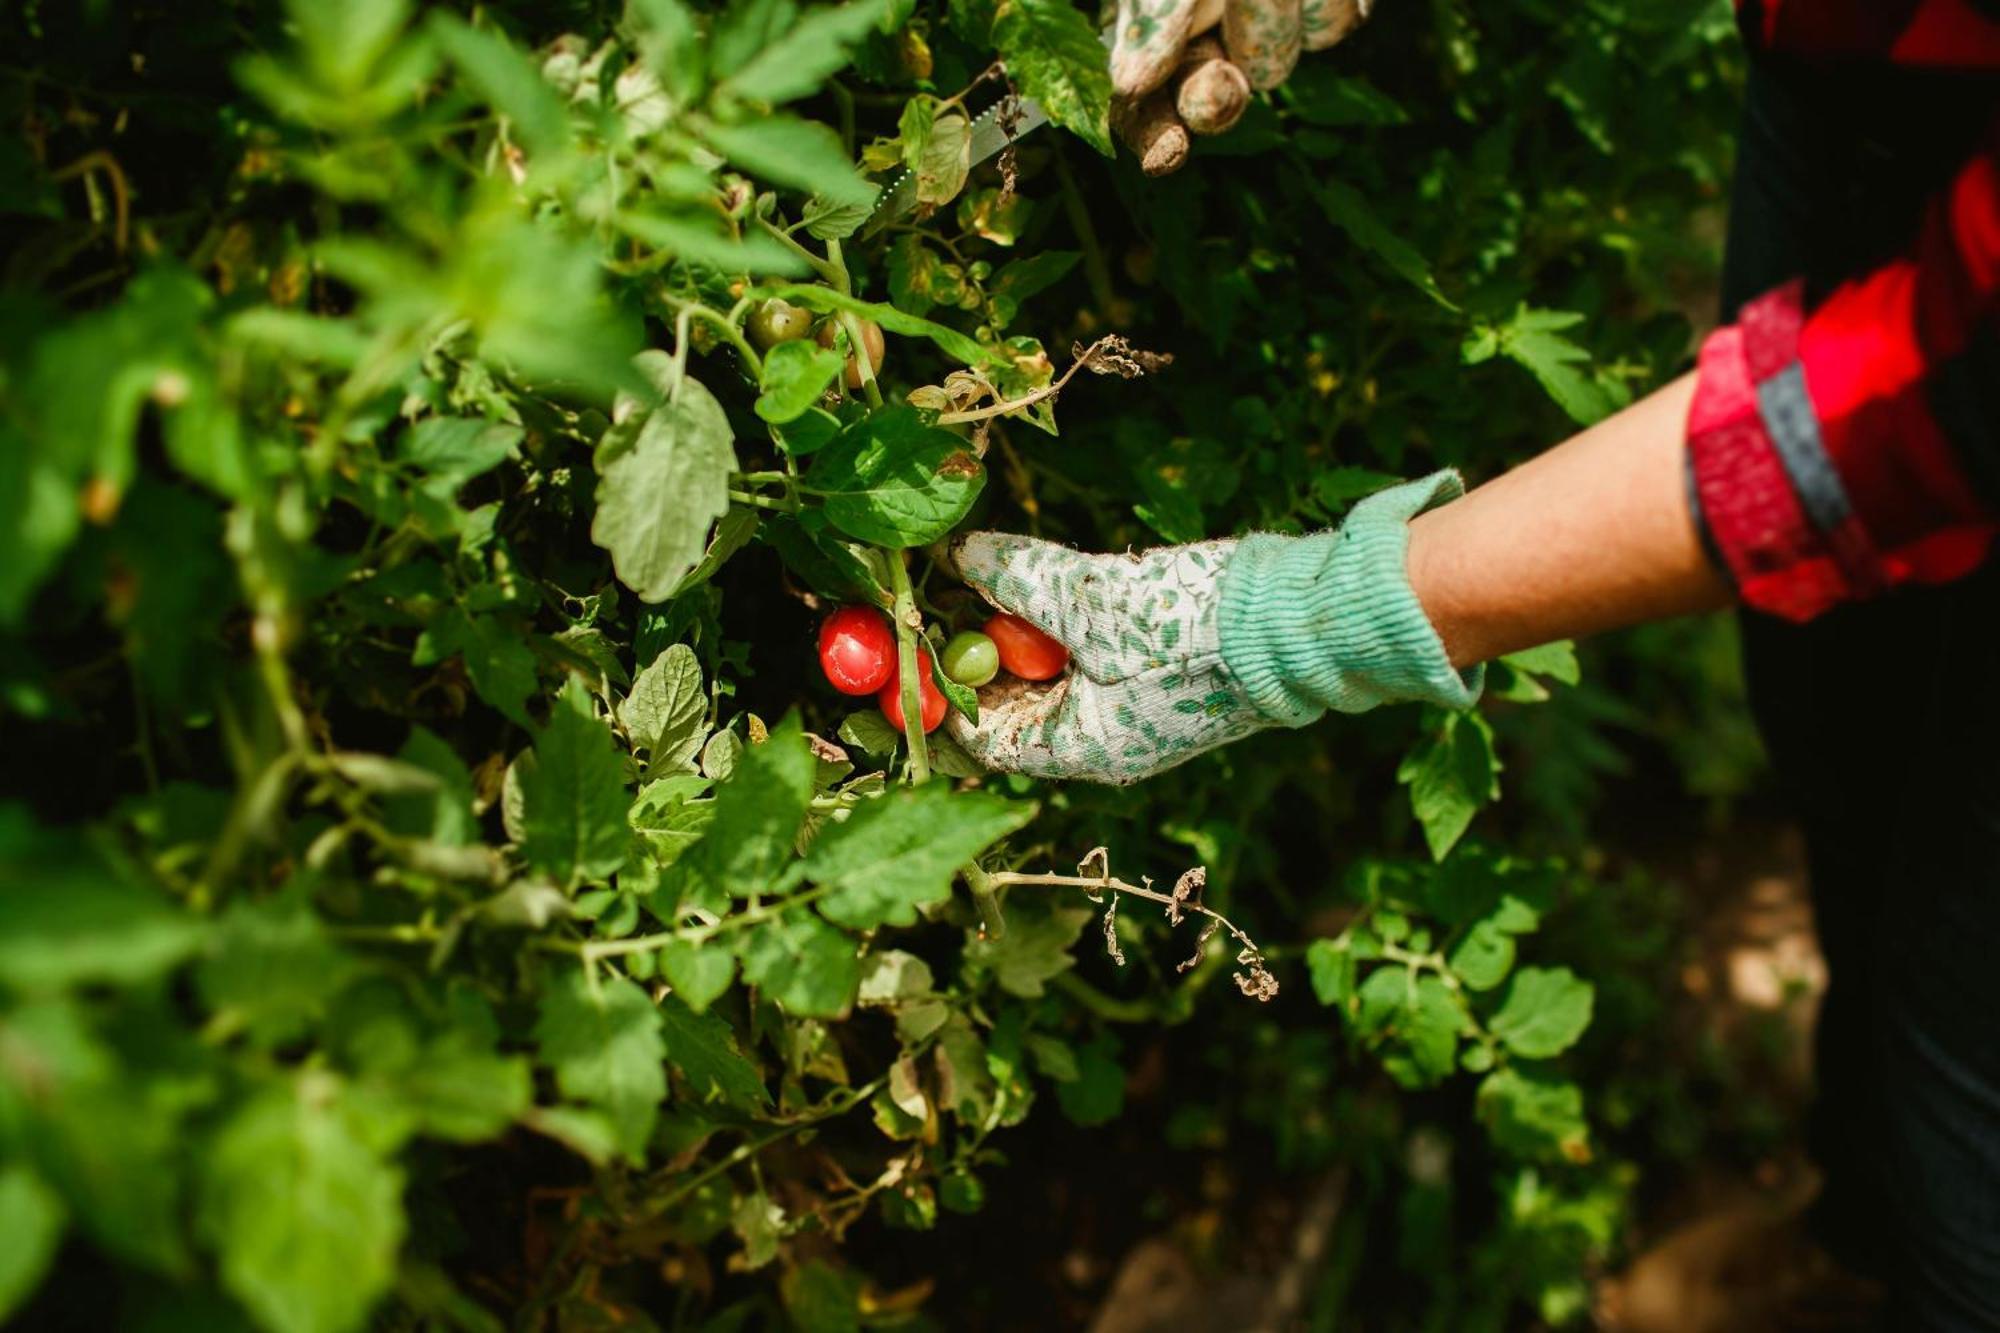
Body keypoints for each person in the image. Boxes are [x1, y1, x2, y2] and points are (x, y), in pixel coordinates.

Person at [949, 1, 2000, 1327]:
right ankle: (1860, 1232)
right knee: (1843, 728)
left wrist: (1304, 620)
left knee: (1972, 1046)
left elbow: (1894, 416)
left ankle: (1939, 1247)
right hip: (1870, 45)